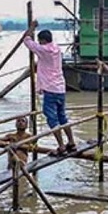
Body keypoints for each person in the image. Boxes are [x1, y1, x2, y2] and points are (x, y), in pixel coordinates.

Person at [24, 21, 75, 156]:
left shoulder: (43, 49)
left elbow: (27, 40)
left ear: (43, 41)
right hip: (60, 88)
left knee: (52, 119)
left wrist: (32, 27)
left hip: (50, 89)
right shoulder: (56, 49)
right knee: (62, 117)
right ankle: (71, 142)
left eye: (40, 41)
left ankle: (61, 146)